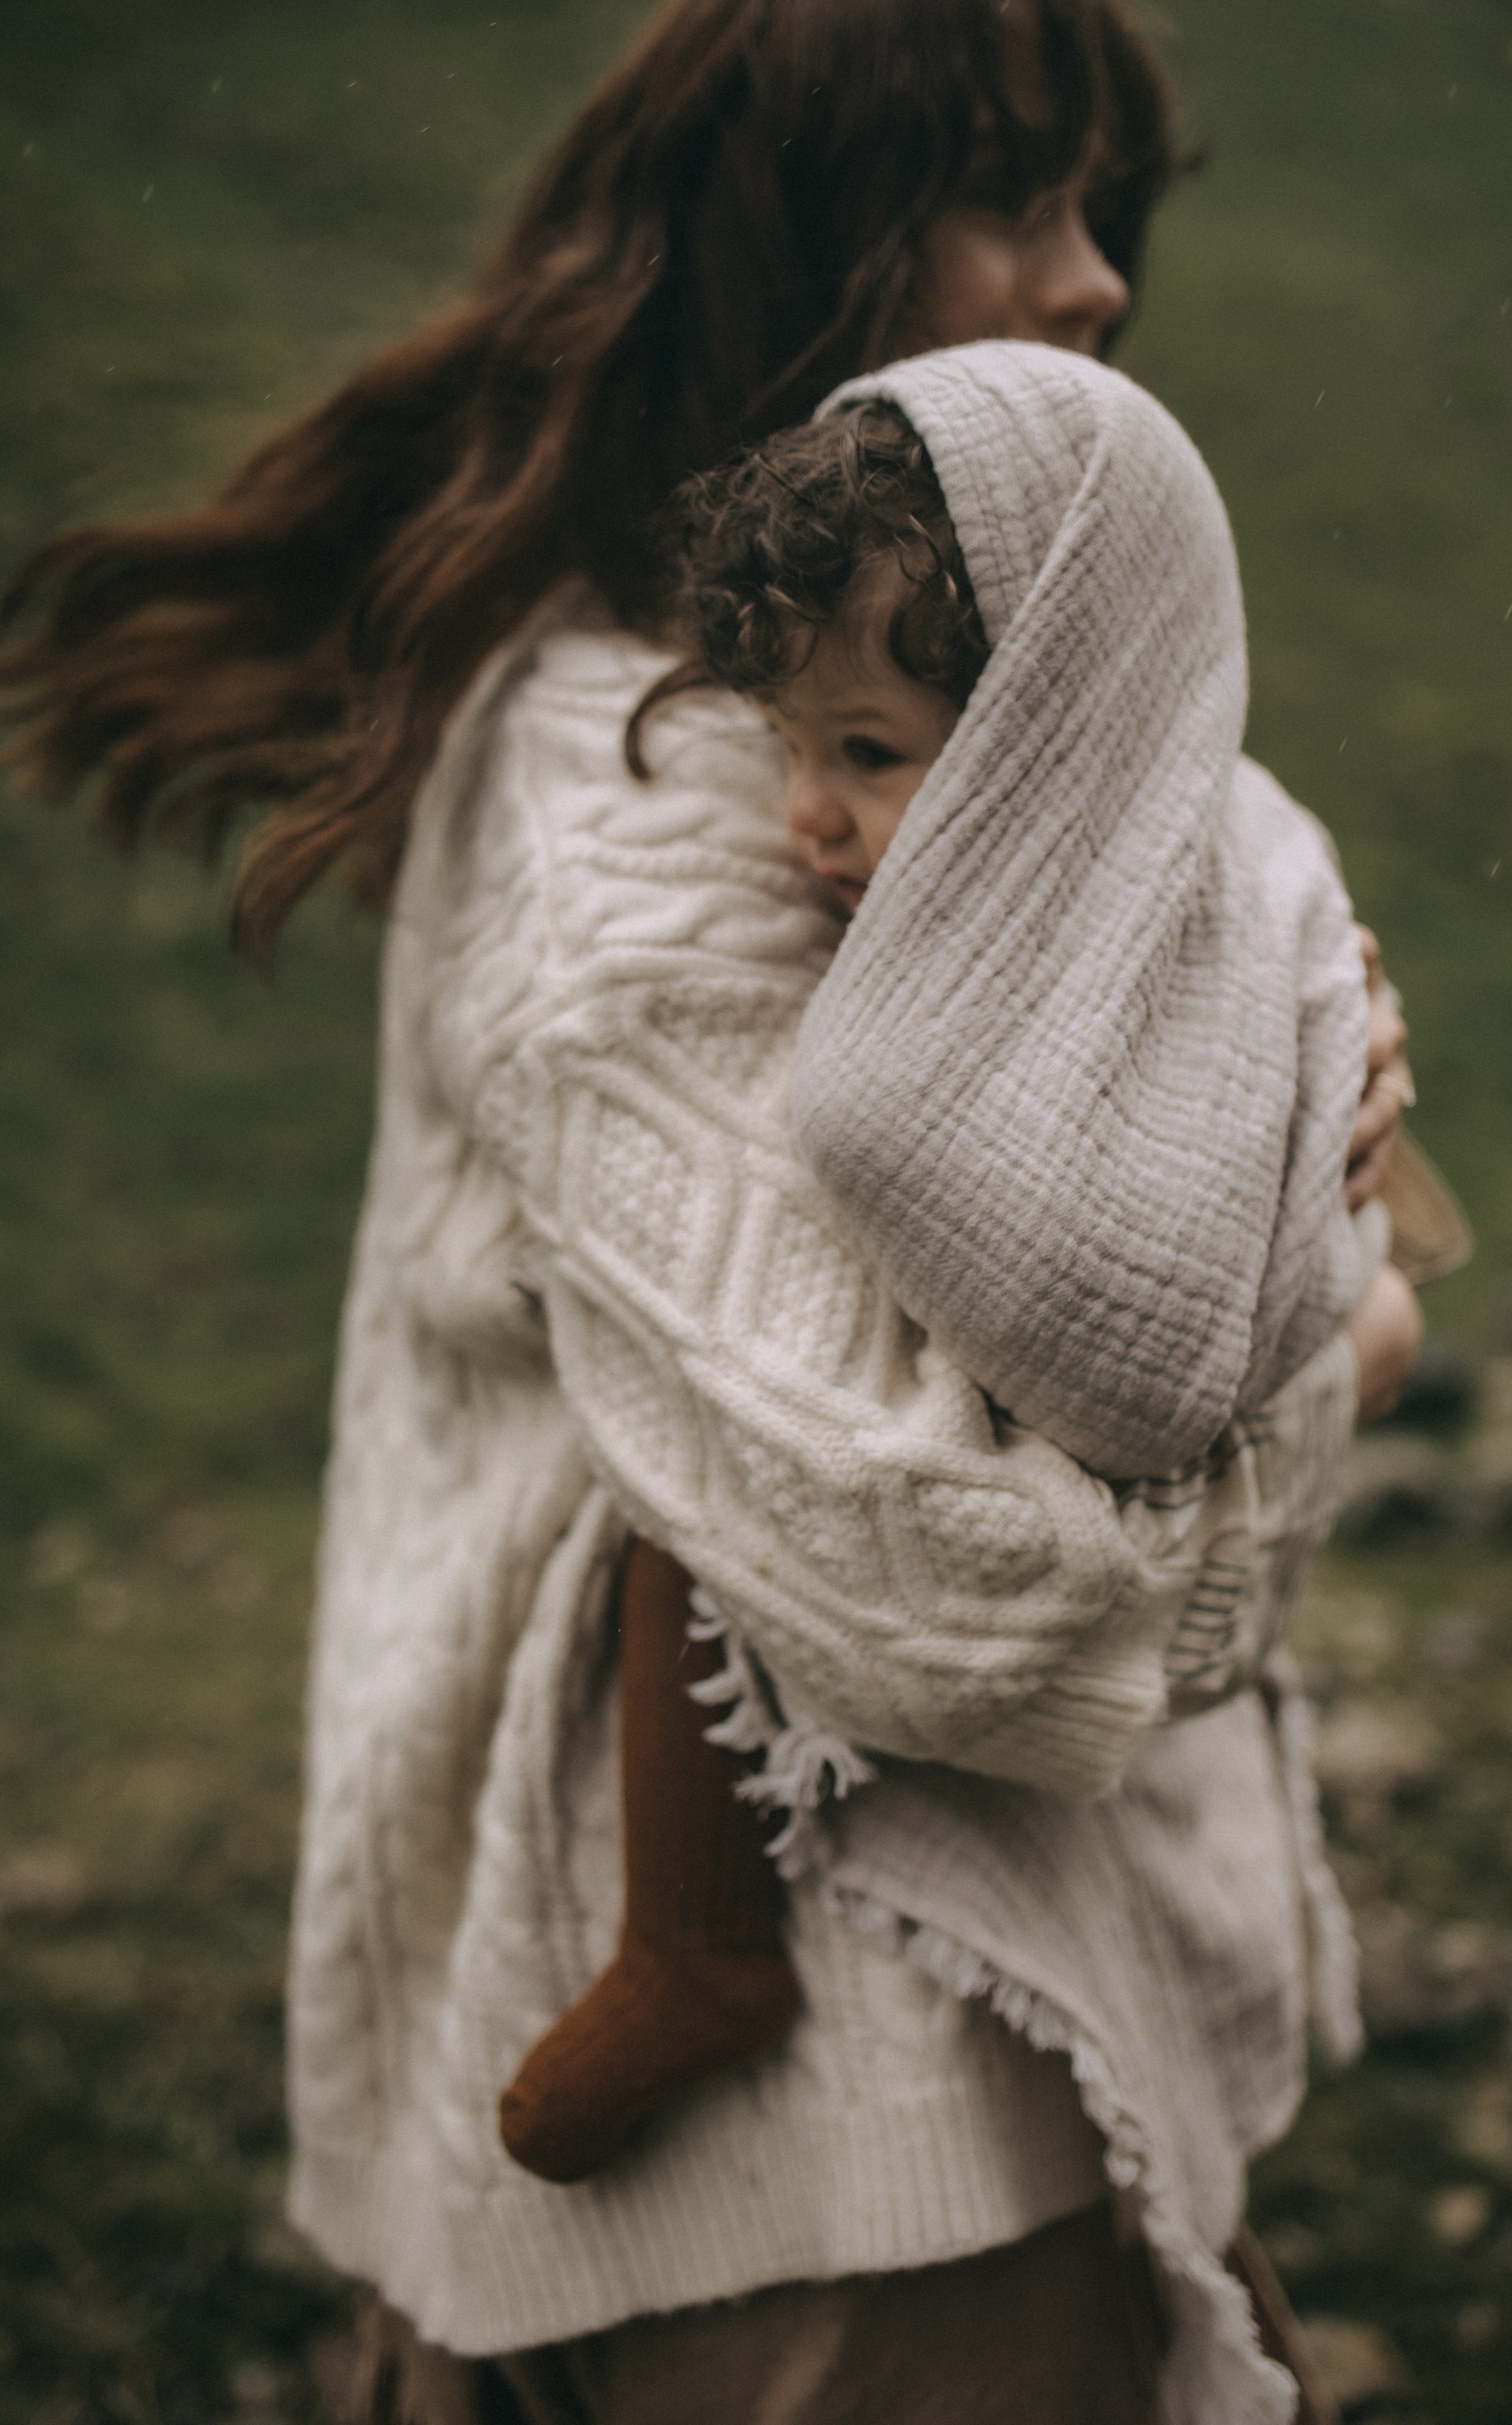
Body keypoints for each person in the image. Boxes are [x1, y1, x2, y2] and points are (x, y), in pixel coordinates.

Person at [0, 1, 1420, 2417]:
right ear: (808, 235)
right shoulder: (667, 785)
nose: (1089, 284)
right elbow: (952, 1595)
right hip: (811, 2148)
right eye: (1012, 190)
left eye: (1111, 213)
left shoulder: (974, 729)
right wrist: (1339, 1342)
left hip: (968, 2050)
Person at [499, 363, 1418, 2191]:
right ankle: (699, 1937)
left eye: (867, 755)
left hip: (1135, 1539)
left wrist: (1338, 1233)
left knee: (689, 1486)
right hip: (1025, 1550)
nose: (802, 828)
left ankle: (696, 1942)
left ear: (1056, 747)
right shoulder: (910, 955)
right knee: (691, 1452)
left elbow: (1175, 1302)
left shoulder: (1213, 885)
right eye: (786, 750)